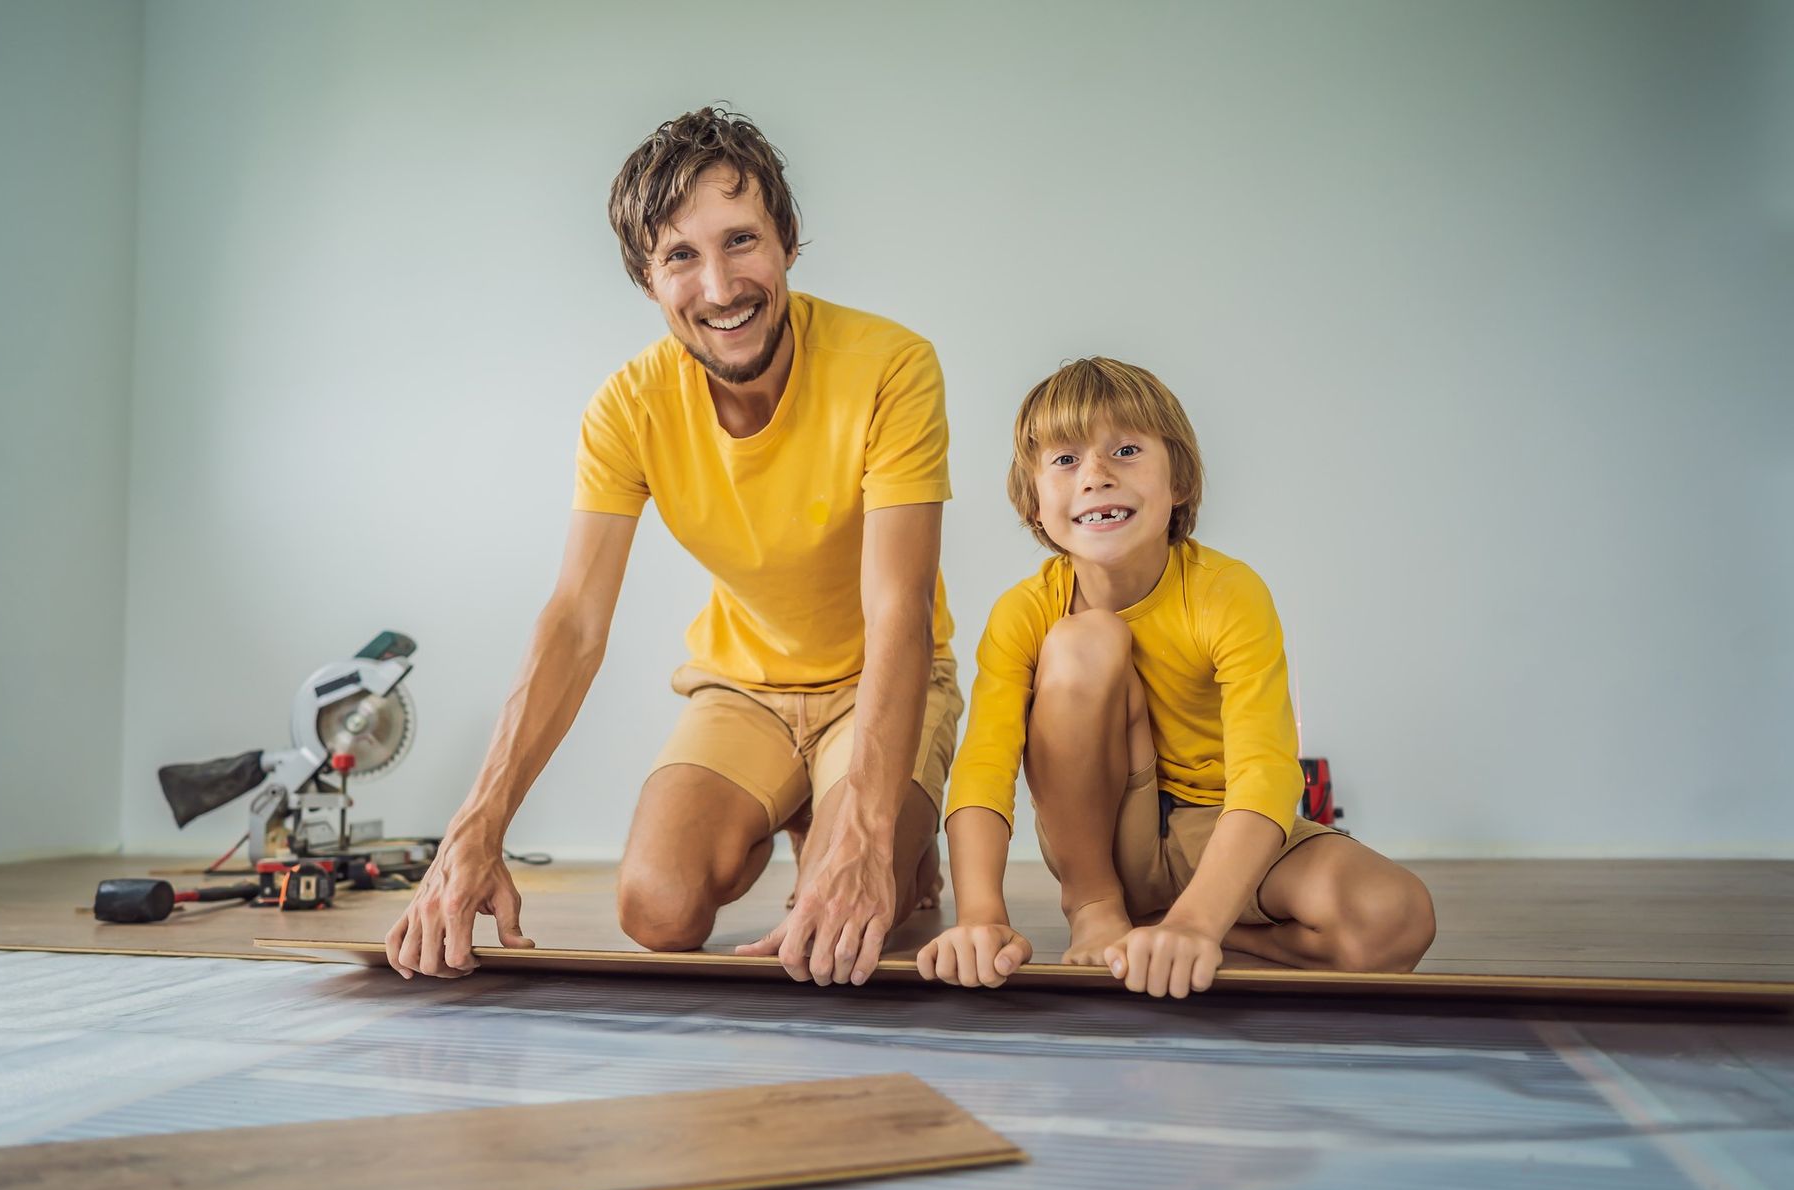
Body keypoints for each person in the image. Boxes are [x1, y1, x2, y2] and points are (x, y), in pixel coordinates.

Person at [387, 107, 961, 986]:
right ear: (647, 280)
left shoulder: (892, 365)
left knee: (844, 930)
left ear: (790, 244)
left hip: (877, 678)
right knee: (656, 910)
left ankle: (877, 838)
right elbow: (575, 618)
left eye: (742, 241)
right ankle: (804, 811)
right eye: (681, 257)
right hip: (745, 690)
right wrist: (474, 830)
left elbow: (899, 609)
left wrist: (866, 841)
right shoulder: (627, 407)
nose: (721, 286)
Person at [919, 357, 1434, 997]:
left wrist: (1196, 924)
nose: (1096, 477)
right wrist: (980, 917)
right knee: (1088, 640)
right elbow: (984, 768)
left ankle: (1169, 925)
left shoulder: (1228, 592)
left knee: (1396, 917)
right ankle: (1096, 909)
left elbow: (1266, 773)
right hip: (1109, 838)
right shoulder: (1025, 610)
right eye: (1065, 460)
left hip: (1222, 830)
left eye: (1126, 450)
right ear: (1033, 499)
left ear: (1180, 480)